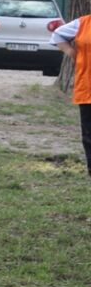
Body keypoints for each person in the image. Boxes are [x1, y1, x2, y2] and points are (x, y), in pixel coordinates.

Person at [51, 13, 91, 177]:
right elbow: (58, 34)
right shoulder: (83, 23)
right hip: (87, 86)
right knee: (89, 133)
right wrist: (73, 53)